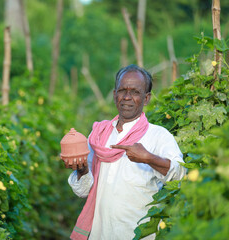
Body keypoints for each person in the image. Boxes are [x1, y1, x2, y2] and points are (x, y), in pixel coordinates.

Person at [66, 64, 186, 240]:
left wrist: (148, 158)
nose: (127, 97)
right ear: (115, 95)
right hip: (101, 234)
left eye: (135, 92)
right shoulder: (99, 135)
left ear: (146, 99)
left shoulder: (158, 136)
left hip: (138, 235)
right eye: (122, 90)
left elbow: (180, 176)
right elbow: (83, 191)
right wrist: (81, 169)